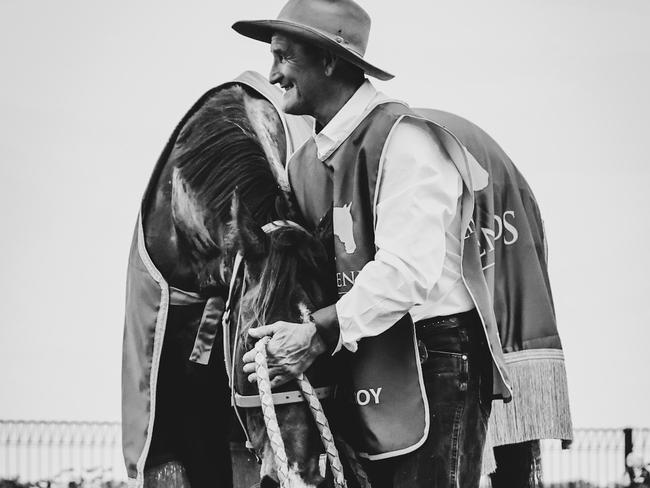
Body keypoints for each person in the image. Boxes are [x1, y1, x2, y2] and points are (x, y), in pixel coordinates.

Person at [233, 1, 512, 486]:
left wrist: (317, 333)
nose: (272, 74)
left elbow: (407, 271)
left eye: (284, 56)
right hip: (359, 357)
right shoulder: (303, 165)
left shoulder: (406, 140)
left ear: (329, 60)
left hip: (433, 359)